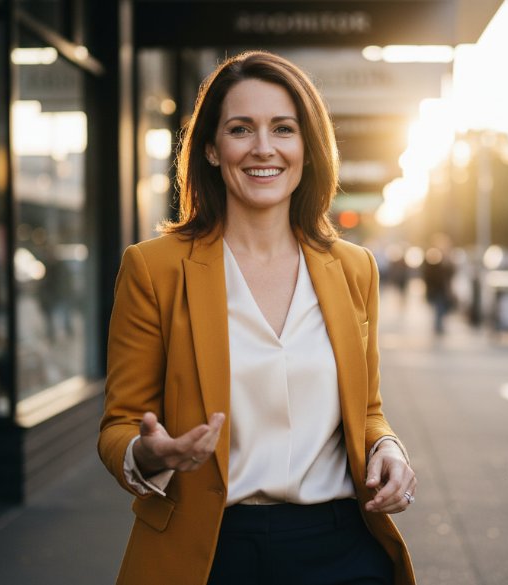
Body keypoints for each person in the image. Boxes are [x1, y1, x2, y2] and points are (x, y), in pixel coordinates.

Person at [99, 51, 417, 585]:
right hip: (211, 551)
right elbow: (119, 427)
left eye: (283, 129)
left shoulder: (354, 269)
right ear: (211, 148)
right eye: (241, 128)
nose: (263, 148)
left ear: (307, 149)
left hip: (341, 549)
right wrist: (150, 453)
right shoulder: (153, 269)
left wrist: (387, 446)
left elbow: (366, 411)